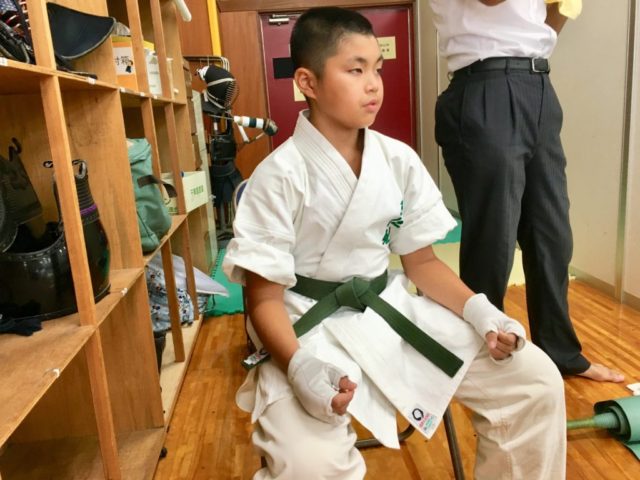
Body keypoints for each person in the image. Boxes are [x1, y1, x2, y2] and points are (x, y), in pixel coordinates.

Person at [224, 7, 566, 479]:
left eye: (377, 69)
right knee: (308, 465)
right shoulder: (278, 175)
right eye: (355, 70)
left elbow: (421, 263)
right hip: (304, 329)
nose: (373, 85)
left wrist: (480, 312)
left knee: (534, 381)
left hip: (389, 313)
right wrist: (299, 367)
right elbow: (262, 299)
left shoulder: (397, 159)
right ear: (308, 82)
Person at [429, 0, 624, 383]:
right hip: (484, 83)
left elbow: (554, 17)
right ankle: (482, 356)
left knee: (552, 234)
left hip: (537, 83)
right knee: (493, 240)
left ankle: (561, 354)